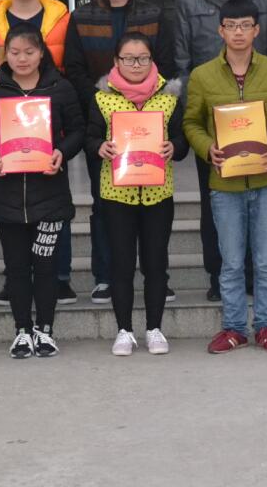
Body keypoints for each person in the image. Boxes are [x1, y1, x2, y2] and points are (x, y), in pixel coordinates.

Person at [174, 0, 267, 301]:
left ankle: (255, 273)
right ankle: (218, 274)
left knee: (260, 200)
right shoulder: (188, 0)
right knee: (215, 202)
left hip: (260, 117)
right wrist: (195, 118)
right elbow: (182, 61)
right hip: (212, 121)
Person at [184, 0, 267, 353]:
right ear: (220, 31)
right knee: (231, 262)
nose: (238, 32)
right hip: (225, 183)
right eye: (231, 26)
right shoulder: (202, 75)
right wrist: (207, 148)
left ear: (256, 30)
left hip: (266, 182)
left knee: (265, 262)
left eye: (245, 25)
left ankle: (266, 326)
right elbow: (191, 122)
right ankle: (233, 328)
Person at [65, 0, 176, 305]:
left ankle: (157, 277)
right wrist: (105, 101)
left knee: (152, 205)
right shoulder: (81, 17)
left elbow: (166, 64)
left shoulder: (153, 15)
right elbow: (74, 69)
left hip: (150, 123)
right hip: (103, 126)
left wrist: (146, 107)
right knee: (105, 205)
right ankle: (105, 276)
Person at [0, 24, 84, 359]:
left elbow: (78, 130)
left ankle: (45, 330)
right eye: (14, 52)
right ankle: (22, 331)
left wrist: (61, 152)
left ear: (41, 53)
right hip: (7, 198)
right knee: (17, 267)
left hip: (50, 197)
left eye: (29, 52)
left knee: (46, 265)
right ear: (5, 54)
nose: (21, 59)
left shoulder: (60, 88)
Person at [85, 32, 188, 356]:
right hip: (117, 195)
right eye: (128, 59)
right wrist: (100, 146)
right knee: (121, 263)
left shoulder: (169, 95)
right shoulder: (102, 96)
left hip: (158, 194)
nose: (136, 64)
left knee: (156, 262)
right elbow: (89, 137)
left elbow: (183, 139)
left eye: (142, 58)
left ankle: (154, 328)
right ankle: (124, 330)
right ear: (116, 61)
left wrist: (174, 147)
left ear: (151, 59)